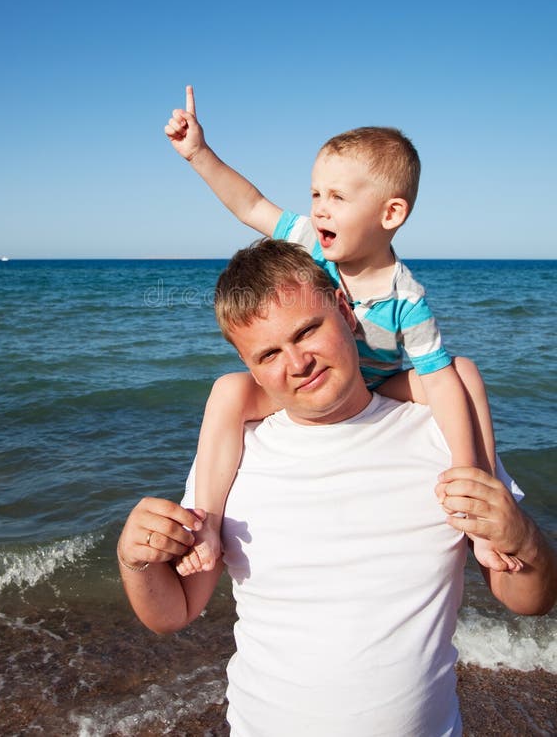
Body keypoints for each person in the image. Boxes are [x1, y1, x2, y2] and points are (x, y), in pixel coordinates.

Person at [118, 239, 557, 737]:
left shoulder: (440, 429)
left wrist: (522, 539)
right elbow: (171, 613)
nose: (298, 363)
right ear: (250, 366)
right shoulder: (236, 449)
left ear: (345, 312)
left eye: (308, 330)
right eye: (268, 354)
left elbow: (529, 600)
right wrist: (135, 558)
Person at [164, 86, 514, 575]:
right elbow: (250, 205)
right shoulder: (309, 238)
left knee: (464, 374)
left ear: (389, 214)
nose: (320, 208)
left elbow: (434, 378)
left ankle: (477, 501)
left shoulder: (405, 297)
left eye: (337, 197)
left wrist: (463, 458)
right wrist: (199, 153)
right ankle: (209, 521)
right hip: (317, 384)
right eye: (315, 194)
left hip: (375, 386)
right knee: (229, 390)